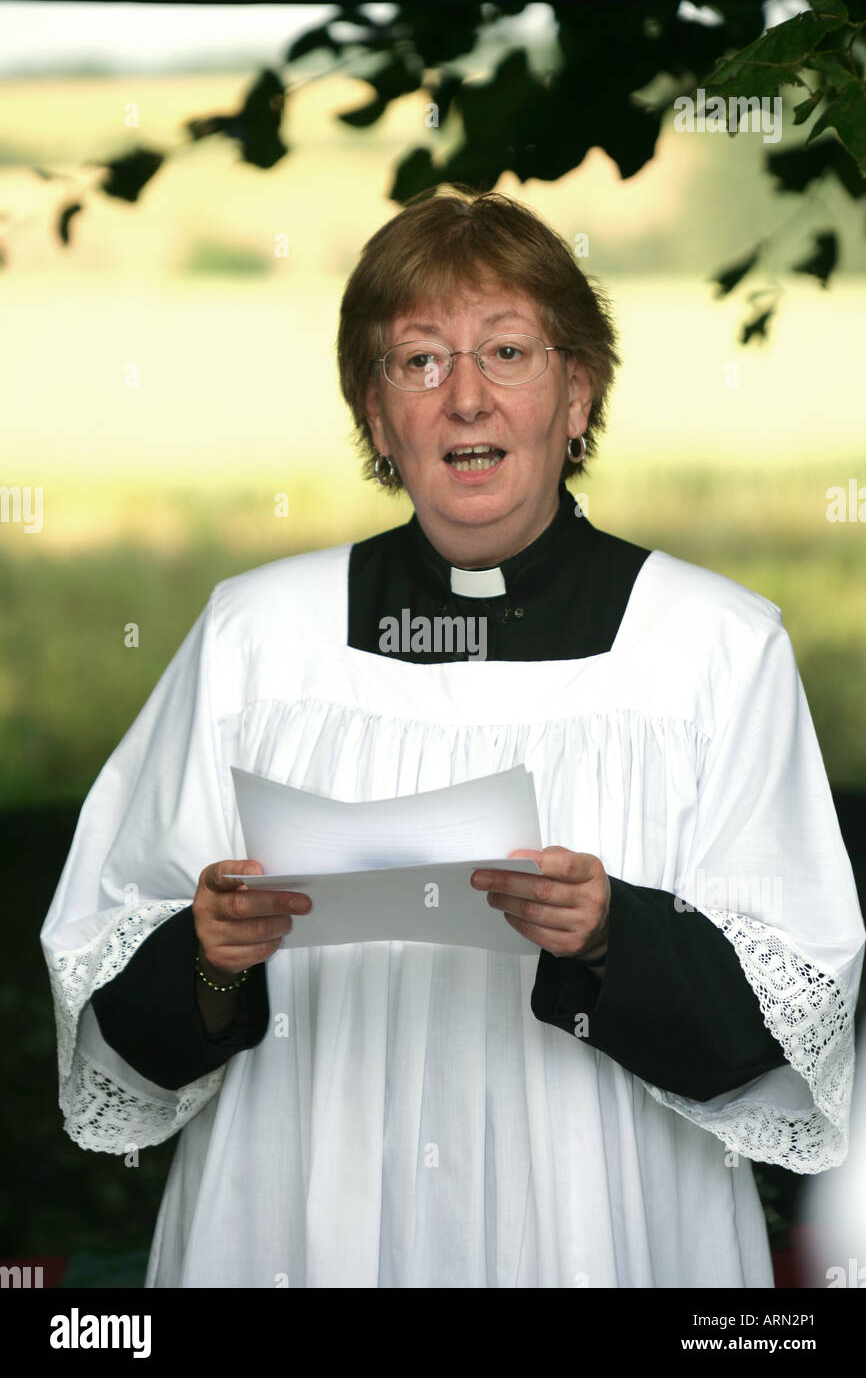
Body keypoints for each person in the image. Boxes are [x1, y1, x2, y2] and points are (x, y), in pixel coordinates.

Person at [41, 186, 864, 1288]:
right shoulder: (259, 638)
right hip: (299, 1200)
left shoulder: (710, 649)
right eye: (417, 361)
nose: (464, 398)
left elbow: (788, 1020)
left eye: (507, 352)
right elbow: (111, 990)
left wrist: (610, 931)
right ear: (376, 419)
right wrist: (209, 959)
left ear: (578, 393)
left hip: (598, 1215)